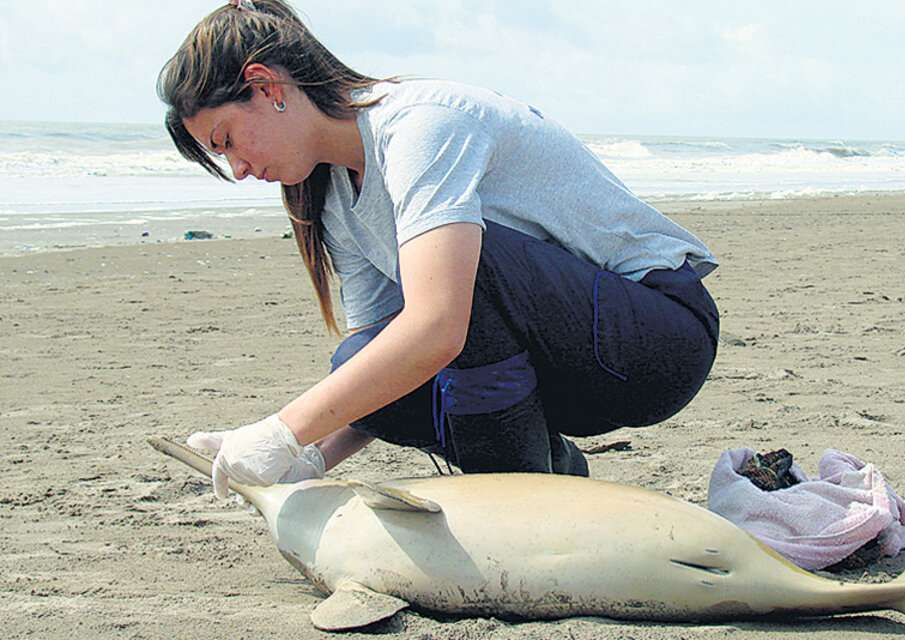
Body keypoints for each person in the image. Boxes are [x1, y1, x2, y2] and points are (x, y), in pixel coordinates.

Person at [159, 0, 720, 499]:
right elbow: (387, 362)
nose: (238, 169)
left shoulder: (421, 126)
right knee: (357, 362)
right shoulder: (331, 197)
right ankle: (548, 469)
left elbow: (438, 327)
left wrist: (283, 430)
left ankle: (516, 495)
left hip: (656, 338)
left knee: (462, 278)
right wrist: (308, 456)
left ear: (267, 87)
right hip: (562, 369)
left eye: (227, 140)